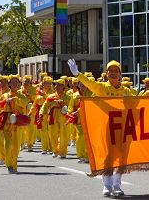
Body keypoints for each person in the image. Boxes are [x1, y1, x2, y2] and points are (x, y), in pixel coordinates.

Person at [68, 58, 132, 197]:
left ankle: (117, 184)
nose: (114, 73)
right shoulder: (102, 88)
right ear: (107, 73)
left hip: (122, 129)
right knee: (107, 157)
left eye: (116, 71)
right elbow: (89, 83)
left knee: (122, 158)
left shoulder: (126, 90)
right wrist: (77, 74)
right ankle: (107, 185)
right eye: (111, 71)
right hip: (107, 128)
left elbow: (139, 104)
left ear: (120, 74)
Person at [0, 74, 28, 173]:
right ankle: (9, 165)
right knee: (7, 144)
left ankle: (14, 165)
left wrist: (14, 100)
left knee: (16, 146)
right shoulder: (3, 96)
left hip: (17, 123)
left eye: (17, 82)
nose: (15, 84)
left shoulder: (22, 96)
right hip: (6, 122)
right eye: (13, 82)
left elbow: (24, 105)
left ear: (19, 85)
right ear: (9, 84)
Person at [40, 79, 70, 159]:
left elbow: (70, 108)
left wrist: (64, 106)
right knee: (52, 134)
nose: (57, 86)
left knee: (64, 134)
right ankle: (55, 150)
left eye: (59, 85)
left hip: (63, 116)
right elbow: (45, 106)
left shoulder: (67, 97)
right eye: (56, 84)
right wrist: (41, 113)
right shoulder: (51, 96)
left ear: (63, 86)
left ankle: (63, 151)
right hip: (53, 116)